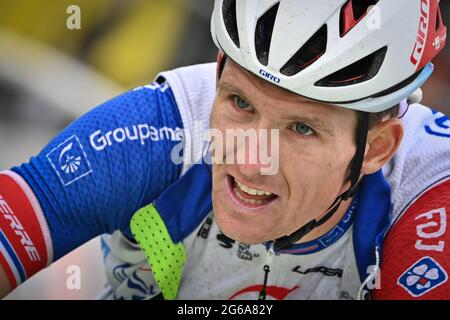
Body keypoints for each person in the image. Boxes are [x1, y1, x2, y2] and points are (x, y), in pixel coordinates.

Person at [1, 0, 450, 300]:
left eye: (301, 129)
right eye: (240, 103)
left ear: (377, 148)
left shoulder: (429, 187)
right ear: (215, 76)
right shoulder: (162, 128)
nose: (252, 162)